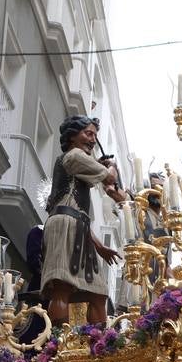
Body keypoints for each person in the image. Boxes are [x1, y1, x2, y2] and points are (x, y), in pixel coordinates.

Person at [42, 115, 123, 326]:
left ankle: (95, 345)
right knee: (62, 286)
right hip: (66, 223)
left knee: (99, 293)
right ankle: (59, 346)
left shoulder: (77, 163)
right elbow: (110, 178)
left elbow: (79, 212)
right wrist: (111, 167)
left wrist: (99, 246)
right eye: (88, 133)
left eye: (95, 135)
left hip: (76, 225)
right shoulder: (74, 155)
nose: (93, 139)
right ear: (72, 136)